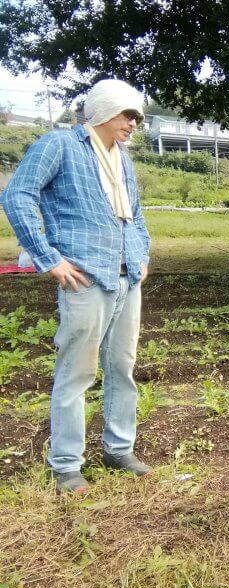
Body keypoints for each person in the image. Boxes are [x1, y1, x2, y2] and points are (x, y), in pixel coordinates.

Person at [1, 79, 152, 494]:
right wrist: (49, 259)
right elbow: (17, 196)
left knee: (122, 368)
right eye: (126, 115)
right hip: (85, 276)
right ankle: (66, 464)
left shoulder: (121, 158)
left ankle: (118, 449)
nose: (132, 124)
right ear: (103, 111)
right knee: (77, 371)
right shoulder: (60, 145)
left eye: (136, 117)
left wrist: (141, 252)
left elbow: (135, 214)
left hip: (126, 276)